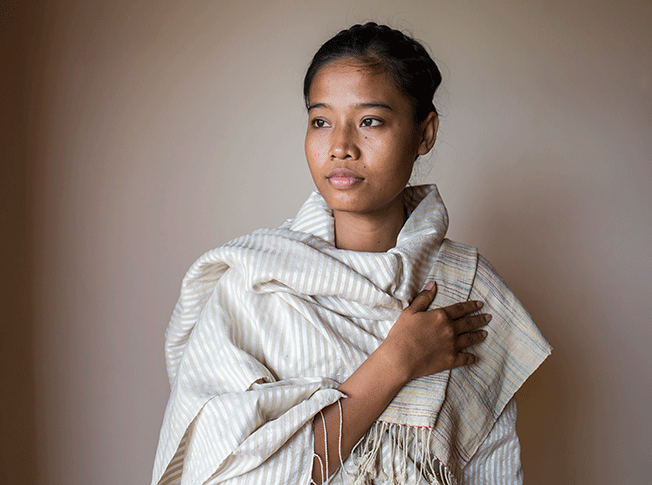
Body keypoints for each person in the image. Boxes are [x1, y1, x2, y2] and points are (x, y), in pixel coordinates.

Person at [150, 22, 551, 485]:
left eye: (370, 121)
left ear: (425, 134)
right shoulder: (252, 283)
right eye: (321, 121)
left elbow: (493, 469)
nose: (340, 146)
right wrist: (395, 361)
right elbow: (227, 474)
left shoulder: (468, 292)